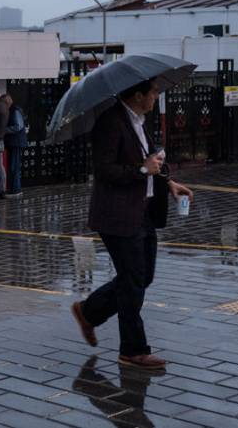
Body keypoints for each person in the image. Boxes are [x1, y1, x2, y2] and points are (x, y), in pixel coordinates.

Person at [69, 79, 193, 370]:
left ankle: (88, 311)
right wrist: (141, 169)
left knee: (141, 278)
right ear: (138, 95)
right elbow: (105, 170)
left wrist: (169, 183)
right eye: (153, 93)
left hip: (144, 211)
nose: (155, 98)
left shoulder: (138, 121)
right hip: (118, 215)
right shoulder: (110, 122)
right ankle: (133, 350)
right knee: (133, 281)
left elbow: (151, 163)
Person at [3, 93, 28, 197]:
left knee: (14, 166)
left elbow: (18, 126)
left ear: (7, 102)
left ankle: (16, 190)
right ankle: (14, 189)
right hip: (14, 142)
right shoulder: (13, 110)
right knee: (13, 166)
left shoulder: (14, 111)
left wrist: (4, 130)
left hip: (16, 142)